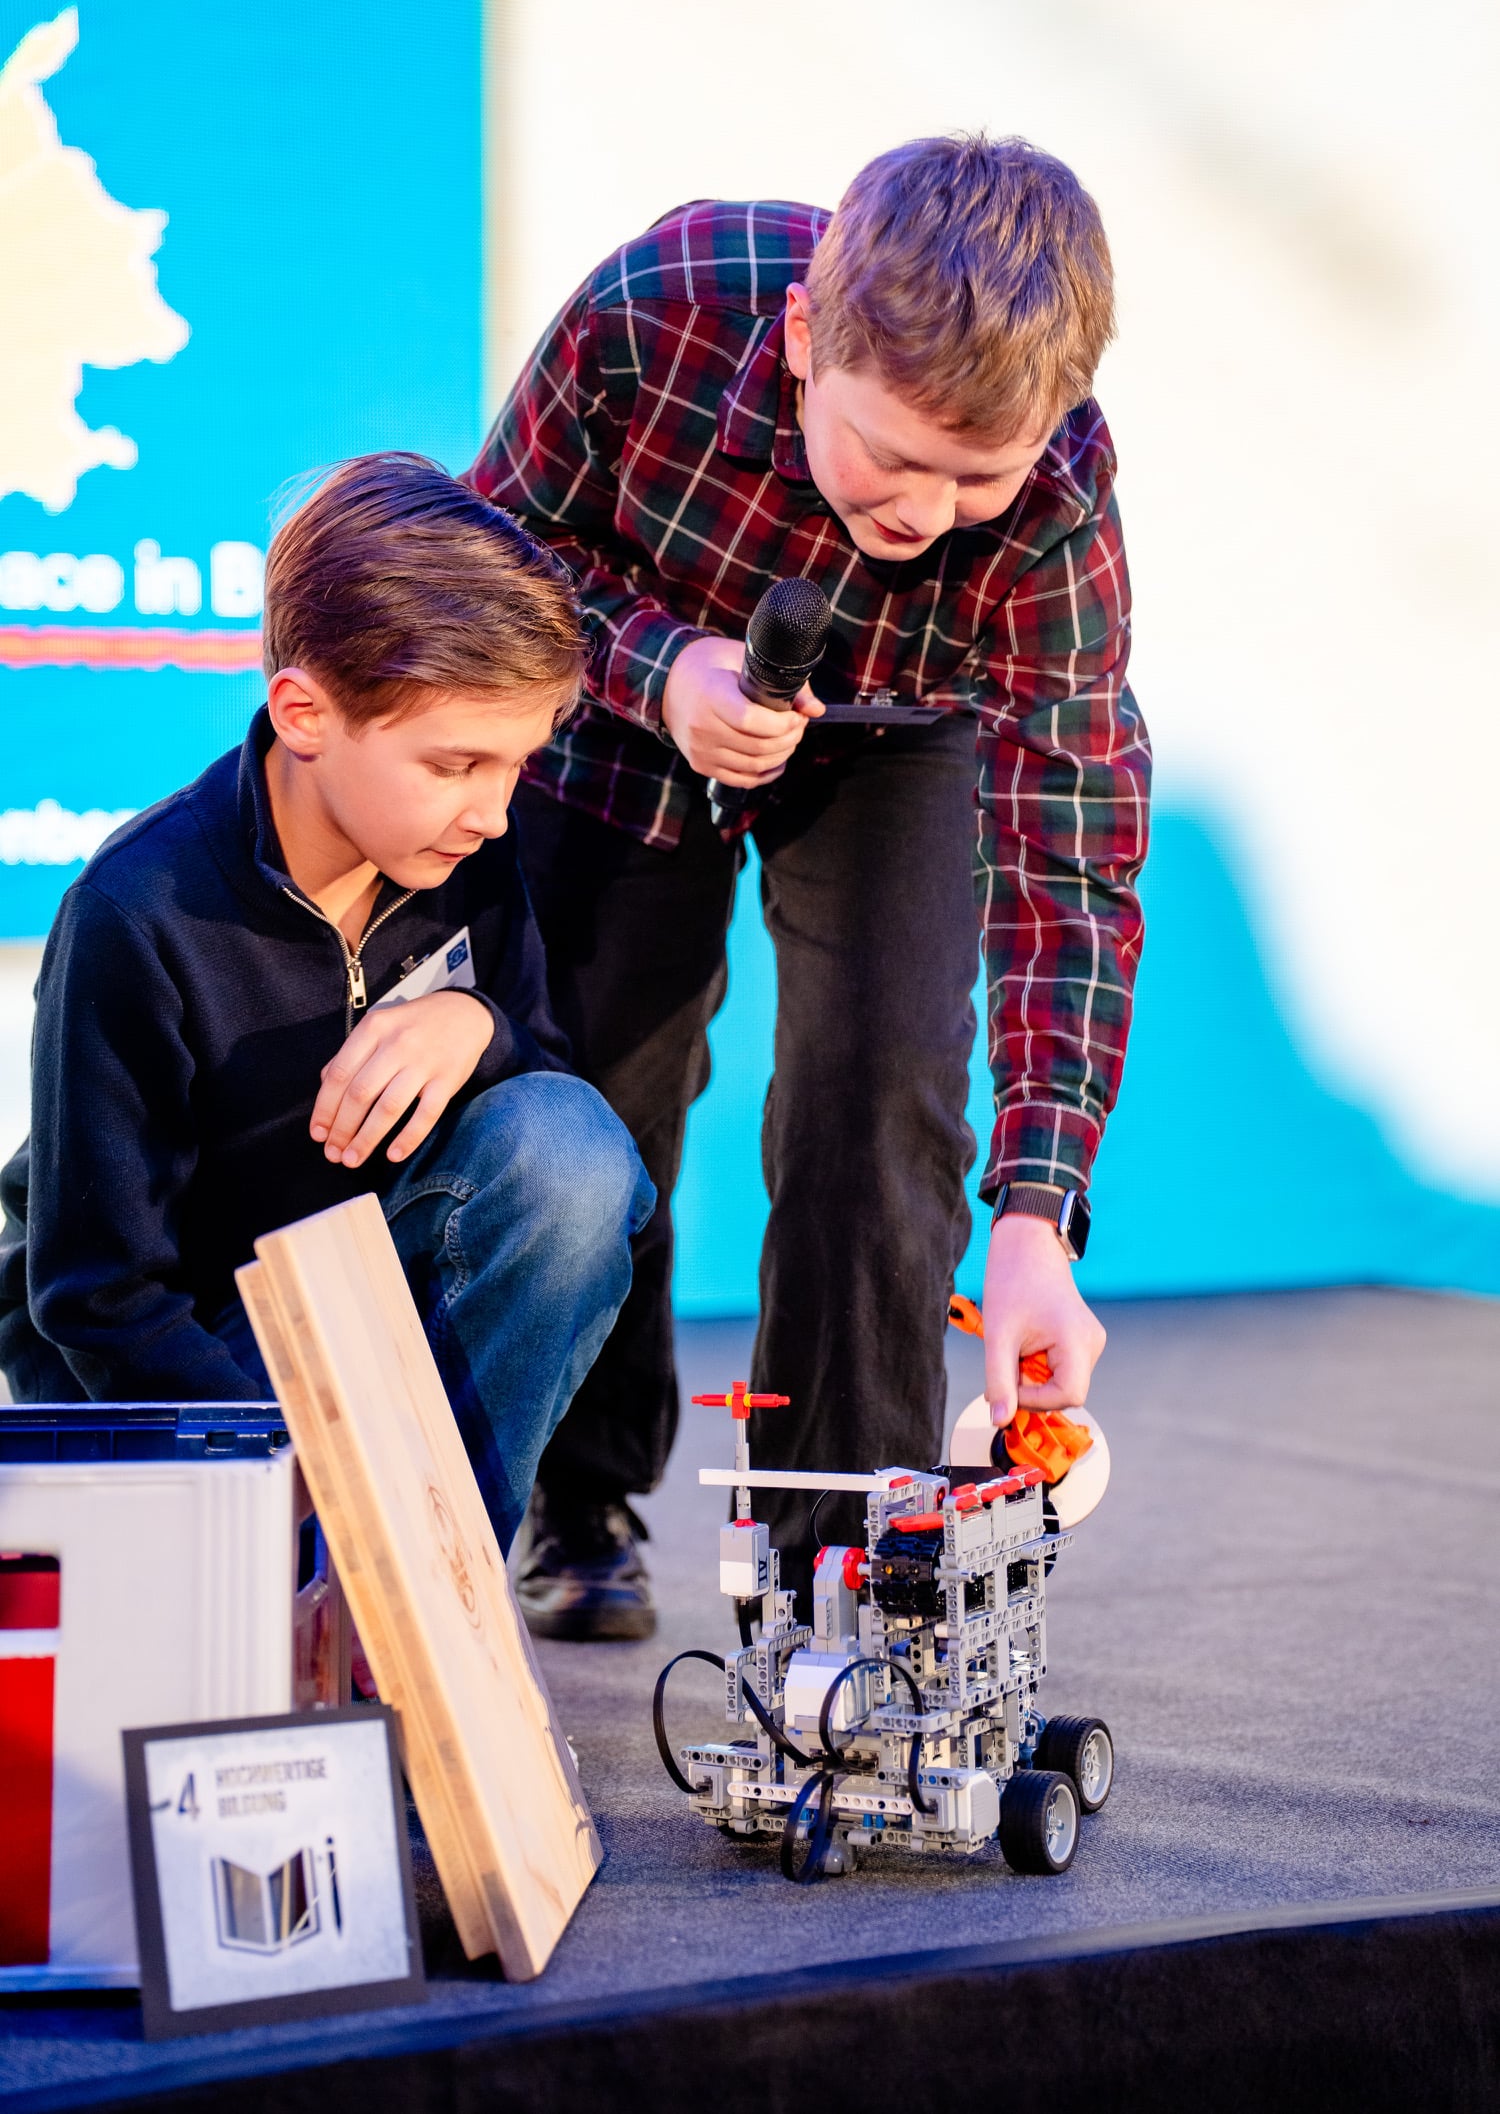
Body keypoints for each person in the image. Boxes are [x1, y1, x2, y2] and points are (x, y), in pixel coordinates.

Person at [470, 133, 1152, 1638]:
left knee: (881, 1085)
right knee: (598, 1082)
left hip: (896, 733)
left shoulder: (1061, 498)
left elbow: (1072, 850)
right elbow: (494, 547)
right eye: (891, 455)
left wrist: (1040, 1214)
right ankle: (581, 1491)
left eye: (978, 476)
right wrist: (661, 669)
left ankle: (839, 1561)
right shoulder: (658, 308)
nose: (926, 511)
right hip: (631, 698)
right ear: (798, 342)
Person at [0, 454, 654, 1553]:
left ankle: (434, 1588)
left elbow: (550, 1097)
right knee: (285, 1565)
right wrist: (295, 1480)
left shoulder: (466, 857)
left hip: (363, 1311)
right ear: (304, 713)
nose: (494, 813)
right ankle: (329, 1578)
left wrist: (479, 1028)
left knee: (570, 1156)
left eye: (517, 765)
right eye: (455, 765)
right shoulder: (136, 911)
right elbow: (97, 1296)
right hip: (179, 1365)